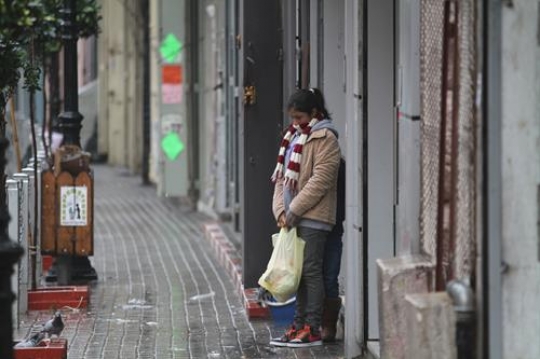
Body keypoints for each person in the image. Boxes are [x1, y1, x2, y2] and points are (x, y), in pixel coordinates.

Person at [269, 88, 341, 348]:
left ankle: (312, 327)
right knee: (297, 274)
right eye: (293, 117)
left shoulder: (326, 138)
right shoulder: (292, 138)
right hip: (293, 219)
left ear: (314, 113)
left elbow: (320, 181)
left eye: (300, 116)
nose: (295, 122)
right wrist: (281, 212)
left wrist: (293, 211)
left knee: (310, 273)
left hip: (314, 218)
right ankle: (298, 325)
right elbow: (281, 180)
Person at [321, 157, 345, 342]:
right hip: (313, 225)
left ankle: (328, 325)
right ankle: (316, 323)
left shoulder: (339, 165)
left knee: (329, 276)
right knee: (317, 275)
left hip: (332, 227)